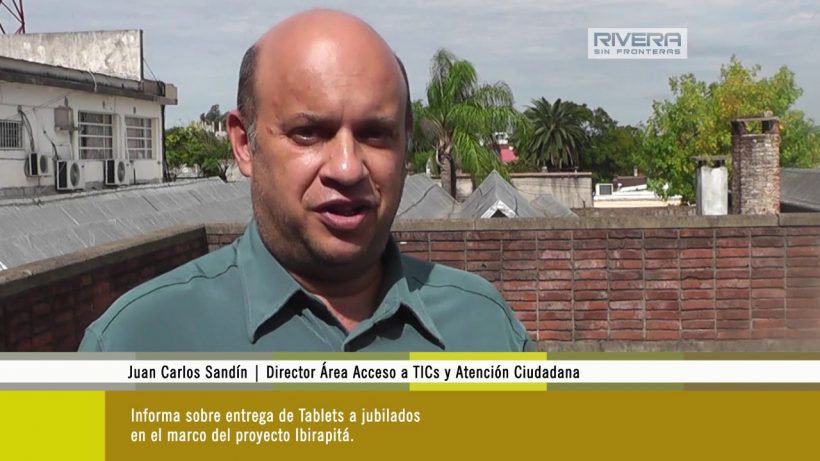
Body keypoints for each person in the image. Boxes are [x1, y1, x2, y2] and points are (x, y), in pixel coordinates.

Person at [78, 9, 533, 352]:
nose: (347, 168)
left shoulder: (484, 329)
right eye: (308, 133)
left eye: (375, 134)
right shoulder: (135, 342)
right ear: (244, 143)